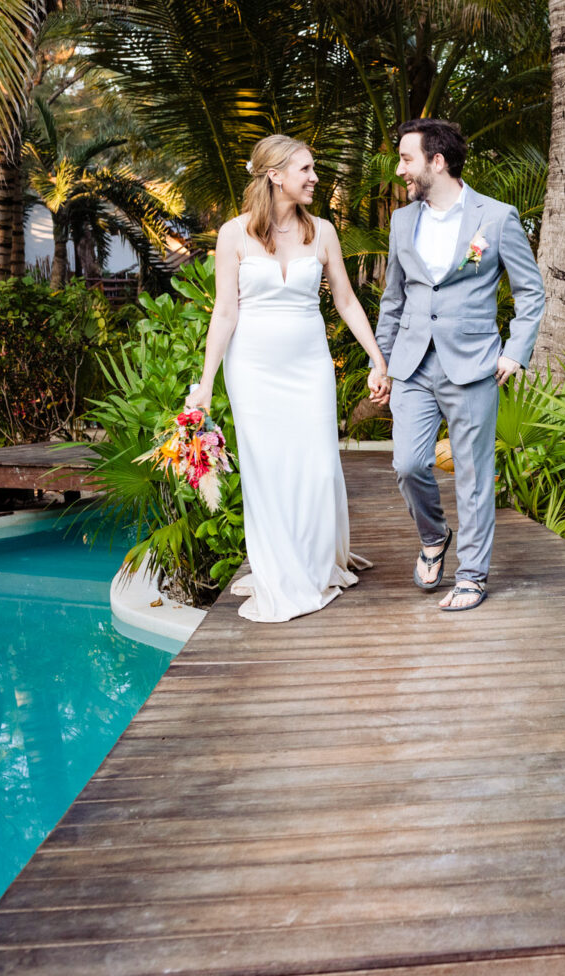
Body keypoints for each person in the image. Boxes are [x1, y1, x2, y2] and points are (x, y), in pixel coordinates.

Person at [185, 134, 391, 622]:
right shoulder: (234, 234)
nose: (315, 177)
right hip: (252, 370)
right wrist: (206, 381)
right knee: (268, 471)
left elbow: (345, 300)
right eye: (306, 169)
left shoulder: (322, 232)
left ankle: (317, 562)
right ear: (275, 175)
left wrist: (377, 359)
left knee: (318, 466)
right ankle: (280, 569)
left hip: (309, 366)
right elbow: (225, 312)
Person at [375, 118, 545, 611]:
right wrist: (381, 362)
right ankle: (434, 536)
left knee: (473, 474)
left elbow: (531, 291)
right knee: (407, 464)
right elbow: (393, 297)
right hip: (411, 363)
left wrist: (515, 351)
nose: (400, 169)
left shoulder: (495, 217)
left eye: (406, 159)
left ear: (437, 161)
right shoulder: (402, 221)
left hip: (472, 365)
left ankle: (472, 575)